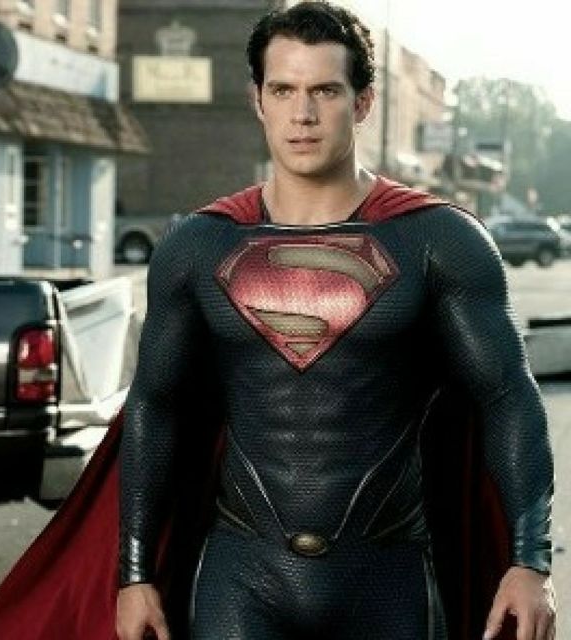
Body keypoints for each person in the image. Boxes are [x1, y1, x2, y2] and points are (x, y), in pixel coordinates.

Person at [116, 2, 556, 640]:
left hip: (387, 578)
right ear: (258, 101)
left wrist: (530, 560)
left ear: (363, 102)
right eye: (283, 90)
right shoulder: (198, 246)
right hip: (242, 579)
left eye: (324, 90)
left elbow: (507, 395)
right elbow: (155, 404)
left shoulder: (437, 240)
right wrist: (134, 574)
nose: (302, 114)